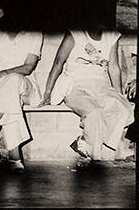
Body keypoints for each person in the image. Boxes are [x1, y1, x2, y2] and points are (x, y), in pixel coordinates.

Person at [40, 28, 134, 168]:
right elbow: (58, 63)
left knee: (124, 109)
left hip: (102, 86)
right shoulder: (74, 34)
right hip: (75, 85)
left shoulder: (111, 36)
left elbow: (113, 67)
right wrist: (47, 93)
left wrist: (118, 95)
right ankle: (94, 158)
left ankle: (84, 141)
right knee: (94, 112)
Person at [0, 0, 42, 173]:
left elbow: (28, 67)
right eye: (7, 0)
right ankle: (15, 158)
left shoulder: (33, 31)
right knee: (8, 98)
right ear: (1, 3)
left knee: (13, 81)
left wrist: (1, 74)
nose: (12, 5)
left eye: (16, 0)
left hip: (26, 87)